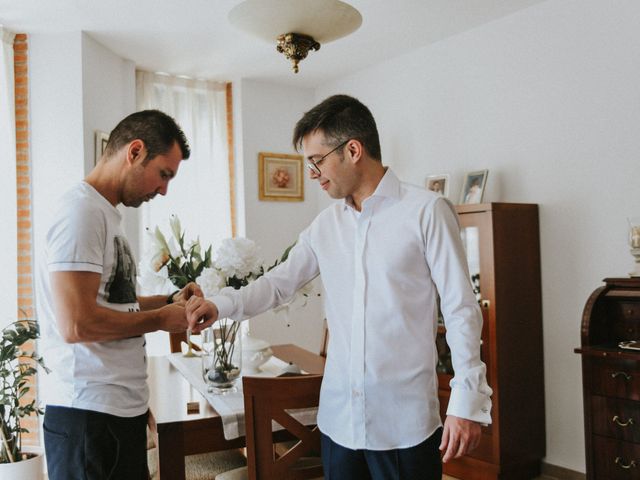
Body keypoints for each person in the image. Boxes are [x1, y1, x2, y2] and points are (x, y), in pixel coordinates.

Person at [185, 95, 492, 479]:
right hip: (338, 423)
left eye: (317, 160)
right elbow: (278, 283)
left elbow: (461, 309)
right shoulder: (325, 226)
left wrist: (466, 402)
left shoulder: (427, 211)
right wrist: (220, 305)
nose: (312, 173)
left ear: (352, 150)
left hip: (403, 425)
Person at [37, 110, 205, 480]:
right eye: (164, 174)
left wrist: (168, 301)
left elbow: (111, 306)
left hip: (112, 412)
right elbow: (77, 324)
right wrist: (161, 320)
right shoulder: (80, 212)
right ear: (135, 152)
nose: (164, 190)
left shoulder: (104, 214)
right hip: (88, 418)